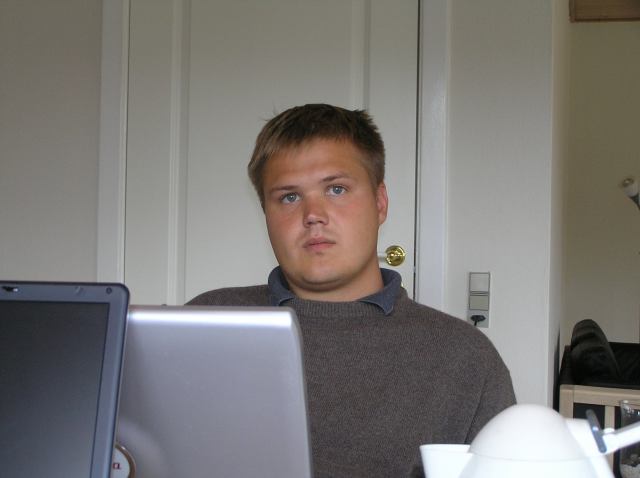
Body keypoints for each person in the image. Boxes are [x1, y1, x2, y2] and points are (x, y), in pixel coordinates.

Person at [188, 103, 516, 477]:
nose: (313, 215)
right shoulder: (204, 323)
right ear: (266, 213)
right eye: (289, 197)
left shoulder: (465, 358)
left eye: (336, 189)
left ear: (380, 202)